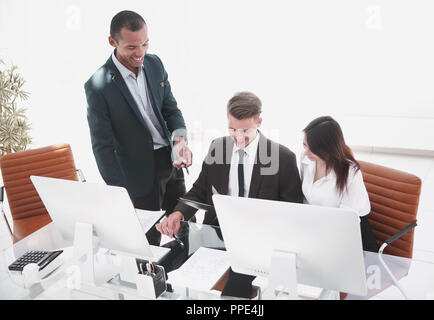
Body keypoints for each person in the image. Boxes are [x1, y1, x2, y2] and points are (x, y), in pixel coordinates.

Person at [156, 91, 303, 298]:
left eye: (245, 130)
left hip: (256, 245)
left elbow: (292, 213)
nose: (238, 137)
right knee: (155, 269)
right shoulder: (218, 147)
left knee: (234, 292)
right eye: (233, 129)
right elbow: (200, 190)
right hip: (215, 235)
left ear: (259, 122)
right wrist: (178, 214)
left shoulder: (283, 158)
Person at [85, 10, 192, 244]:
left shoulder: (154, 64)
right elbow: (102, 147)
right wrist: (119, 193)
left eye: (145, 44)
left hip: (171, 163)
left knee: (186, 232)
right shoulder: (97, 86)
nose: (140, 53)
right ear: (112, 42)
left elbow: (171, 109)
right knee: (147, 245)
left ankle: (181, 278)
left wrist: (180, 140)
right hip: (138, 177)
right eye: (132, 47)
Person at [300, 116, 378, 252]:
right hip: (316, 229)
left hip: (346, 238)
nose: (306, 152)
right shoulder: (307, 159)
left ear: (328, 149)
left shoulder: (350, 173)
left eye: (312, 149)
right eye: (305, 145)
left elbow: (346, 222)